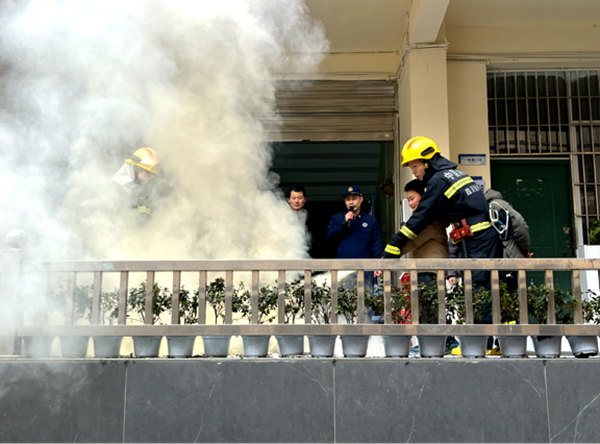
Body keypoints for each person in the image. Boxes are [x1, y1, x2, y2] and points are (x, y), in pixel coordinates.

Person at [383, 136, 502, 349]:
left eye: (415, 166)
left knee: (479, 289)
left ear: (427, 162)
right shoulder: (453, 174)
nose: (414, 172)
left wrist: (394, 245)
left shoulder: (438, 181)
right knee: (478, 289)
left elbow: (422, 217)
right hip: (475, 239)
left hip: (478, 240)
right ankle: (481, 344)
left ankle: (482, 345)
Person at [326, 186, 383, 287]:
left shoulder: (370, 221)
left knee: (366, 295)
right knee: (344, 295)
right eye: (348, 199)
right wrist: (344, 222)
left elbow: (376, 244)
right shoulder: (337, 218)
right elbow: (330, 236)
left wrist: (378, 265)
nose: (351, 202)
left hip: (365, 268)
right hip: (344, 268)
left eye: (354, 198)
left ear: (361, 199)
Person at [485, 188, 533, 290]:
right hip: (509, 255)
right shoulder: (500, 205)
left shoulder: (486, 207)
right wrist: (525, 249)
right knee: (513, 293)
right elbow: (520, 226)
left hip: (494, 258)